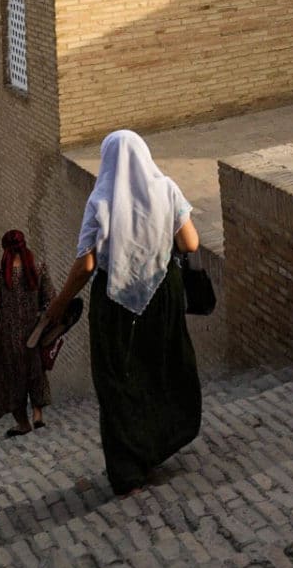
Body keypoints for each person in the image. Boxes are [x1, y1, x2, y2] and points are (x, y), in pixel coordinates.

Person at [35, 129, 202, 496]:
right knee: (160, 368)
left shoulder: (101, 201)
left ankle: (129, 471)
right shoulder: (166, 188)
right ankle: (160, 444)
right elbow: (190, 242)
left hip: (115, 306)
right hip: (163, 296)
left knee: (118, 382)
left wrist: (60, 303)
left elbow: (85, 265)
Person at [0, 230, 55, 436]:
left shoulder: (1, 277)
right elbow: (51, 299)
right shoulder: (39, 269)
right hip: (33, 334)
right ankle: (38, 416)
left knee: (11, 379)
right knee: (36, 373)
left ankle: (23, 423)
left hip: (8, 339)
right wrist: (44, 322)